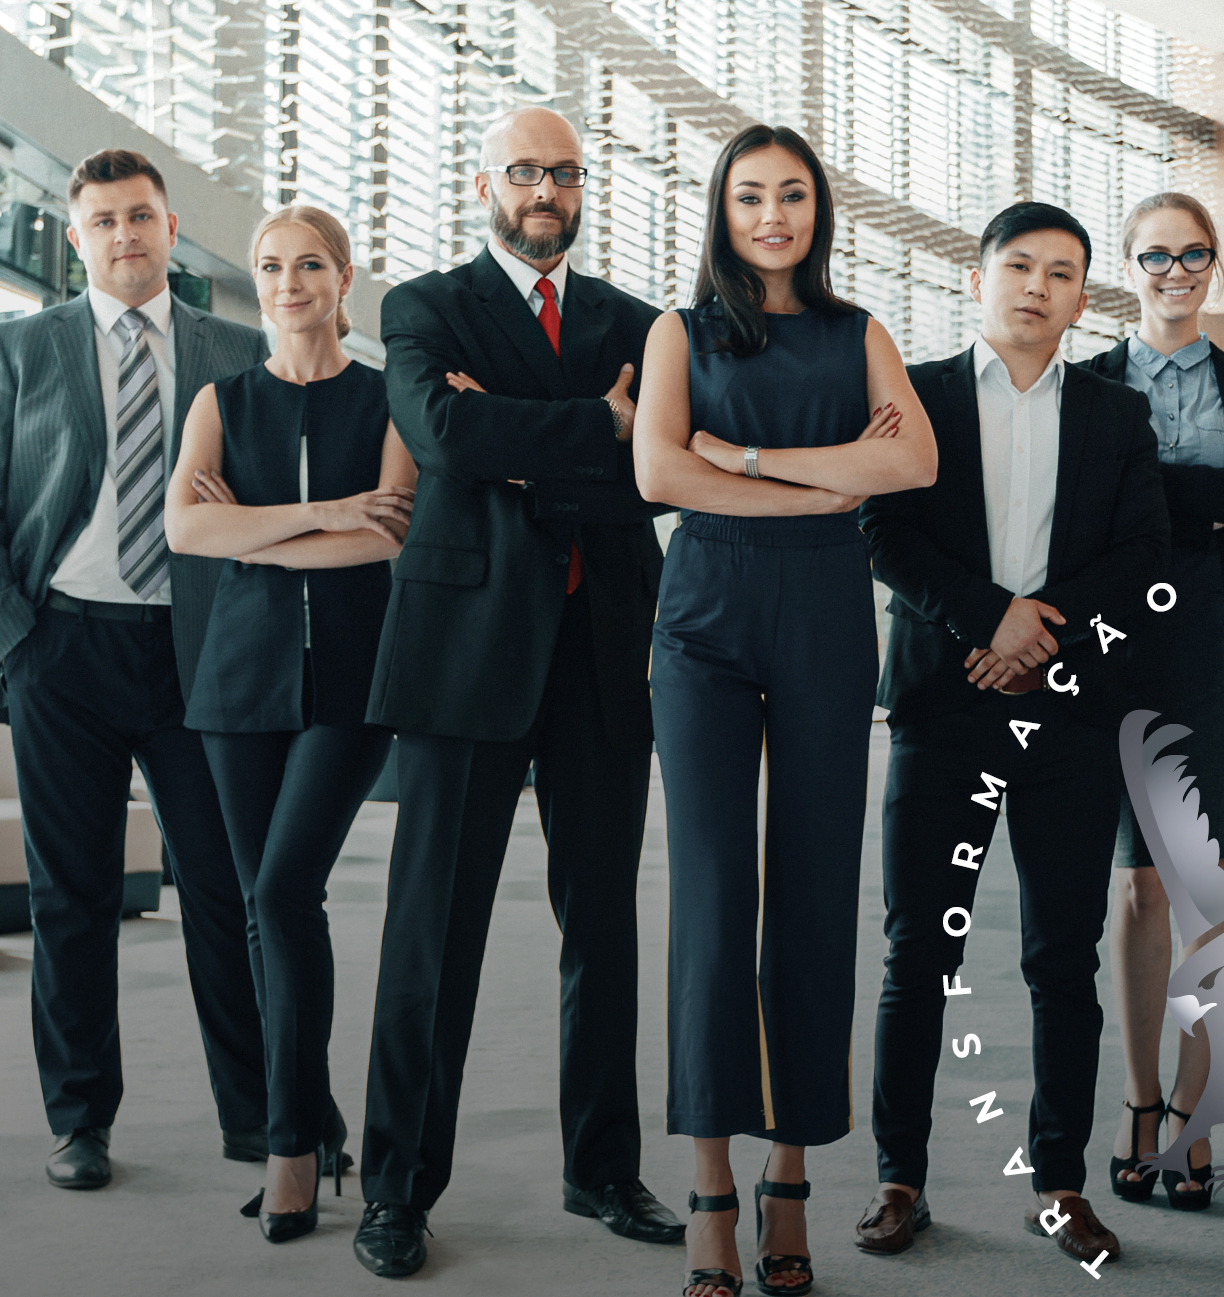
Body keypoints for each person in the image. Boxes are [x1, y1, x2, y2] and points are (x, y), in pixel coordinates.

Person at [351, 106, 682, 1279]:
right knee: (431, 933)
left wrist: (523, 438)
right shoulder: (423, 307)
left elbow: (655, 471)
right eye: (527, 171)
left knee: (604, 929)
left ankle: (603, 1168)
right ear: (486, 182)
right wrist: (594, 422)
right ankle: (395, 1187)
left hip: (603, 650)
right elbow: (442, 434)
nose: (547, 191)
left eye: (566, 173)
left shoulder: (637, 323)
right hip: (465, 653)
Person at [635, 124, 936, 1297]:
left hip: (822, 617)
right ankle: (711, 1186)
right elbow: (660, 474)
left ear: (819, 209)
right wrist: (823, 478)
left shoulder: (860, 333)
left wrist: (751, 463)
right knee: (713, 899)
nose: (773, 216)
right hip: (702, 621)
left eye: (794, 194)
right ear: (722, 209)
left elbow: (910, 465)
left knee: (814, 893)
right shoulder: (680, 331)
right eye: (751, 195)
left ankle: (789, 1175)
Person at [0, 148, 270, 1191]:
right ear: (77, 238)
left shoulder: (237, 348)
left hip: (196, 652)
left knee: (225, 888)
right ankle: (79, 1120)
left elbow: (267, 496)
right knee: (71, 897)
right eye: (104, 221)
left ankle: (260, 1117)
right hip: (62, 650)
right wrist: (18, 643)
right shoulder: (20, 345)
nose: (125, 234)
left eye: (141, 216)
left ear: (171, 229)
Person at [855, 201, 1168, 1268]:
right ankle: (899, 1178)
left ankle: (1062, 1184)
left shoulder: (1118, 415)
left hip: (1067, 713)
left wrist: (1040, 634)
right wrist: (987, 618)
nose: (1038, 285)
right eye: (1020, 265)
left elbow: (1144, 554)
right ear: (977, 278)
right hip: (944, 707)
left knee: (1061, 959)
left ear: (1082, 298)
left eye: (1062, 272)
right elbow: (883, 528)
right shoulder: (918, 396)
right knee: (918, 951)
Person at [164, 205, 417, 1240]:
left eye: (309, 264)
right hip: (239, 684)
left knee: (281, 890)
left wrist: (252, 532)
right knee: (261, 908)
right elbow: (187, 527)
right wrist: (321, 512)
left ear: (344, 277)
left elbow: (387, 536)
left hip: (354, 681)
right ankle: (312, 1122)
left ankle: (290, 1149)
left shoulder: (387, 396)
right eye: (270, 266)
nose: (287, 282)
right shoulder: (221, 401)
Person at [1083, 192, 1224, 1212]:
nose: (1176, 271)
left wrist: (1157, 488)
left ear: (1215, 264)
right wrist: (1211, 490)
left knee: (1216, 887)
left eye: (1194, 254)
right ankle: (1138, 1100)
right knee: (1139, 885)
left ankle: (1192, 1110)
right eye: (1156, 255)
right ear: (1127, 267)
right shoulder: (1090, 384)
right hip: (1127, 639)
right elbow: (1096, 510)